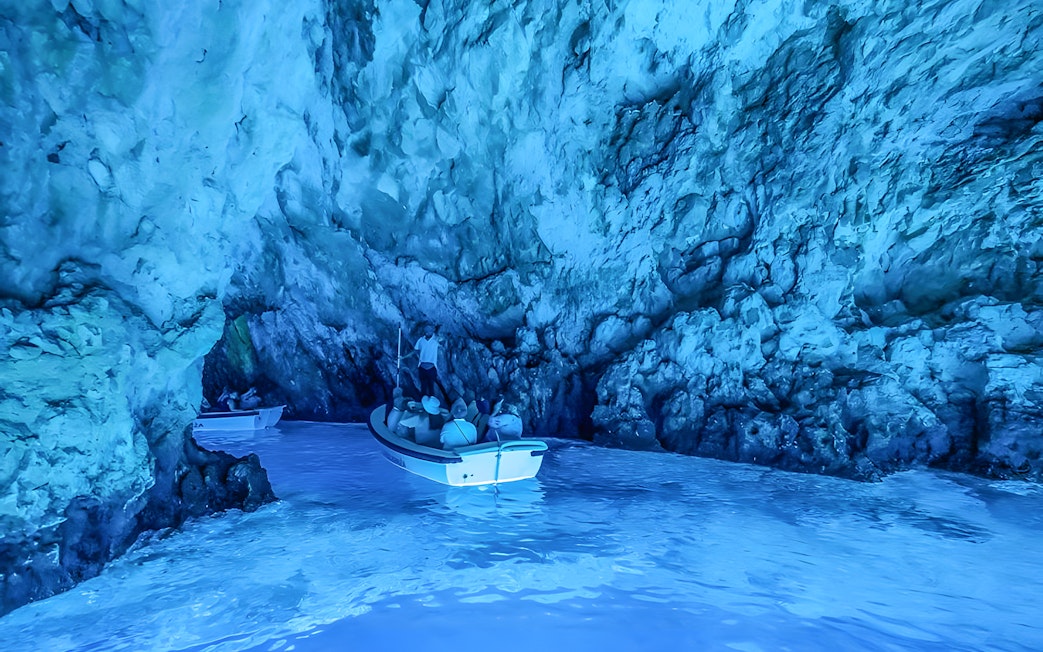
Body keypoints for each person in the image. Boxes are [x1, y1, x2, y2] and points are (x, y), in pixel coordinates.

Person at [403, 324, 441, 399]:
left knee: (431, 388)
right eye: (426, 331)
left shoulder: (436, 339)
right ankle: (423, 404)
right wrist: (403, 357)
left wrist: (438, 330)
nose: (427, 332)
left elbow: (443, 339)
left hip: (432, 367)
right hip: (422, 367)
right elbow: (415, 351)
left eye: (429, 331)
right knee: (423, 387)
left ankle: (431, 406)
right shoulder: (421, 340)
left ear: (432, 331)